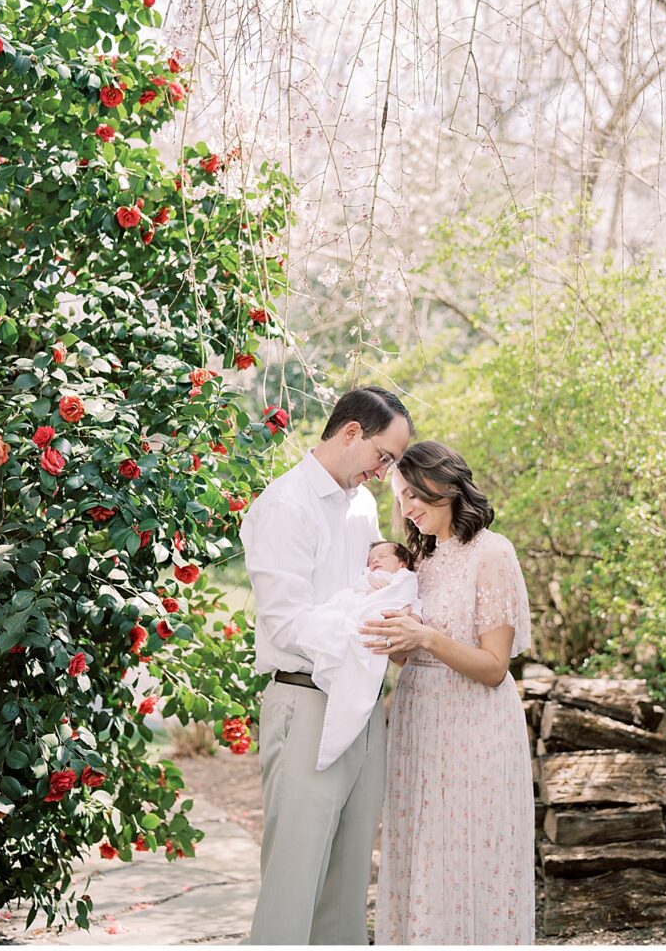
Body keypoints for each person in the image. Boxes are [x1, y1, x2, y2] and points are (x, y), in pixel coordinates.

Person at [240, 386, 414, 945]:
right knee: (295, 879)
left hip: (362, 701)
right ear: (350, 433)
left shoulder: (361, 505)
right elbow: (287, 623)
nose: (385, 471)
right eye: (383, 456)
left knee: (347, 883)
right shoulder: (283, 506)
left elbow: (366, 589)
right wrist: (367, 633)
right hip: (305, 698)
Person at [362, 440, 535, 945]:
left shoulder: (493, 553)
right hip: (419, 722)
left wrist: (425, 636)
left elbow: (494, 668)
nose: (407, 509)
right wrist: (393, 632)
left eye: (415, 495)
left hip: (475, 729)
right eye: (400, 499)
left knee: (467, 854)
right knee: (421, 852)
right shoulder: (421, 559)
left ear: (448, 487)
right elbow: (406, 653)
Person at [298, 541, 421, 772]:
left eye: (382, 556)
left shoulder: (406, 579)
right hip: (358, 614)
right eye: (371, 559)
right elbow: (355, 592)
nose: (375, 561)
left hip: (382, 617)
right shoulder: (366, 577)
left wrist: (394, 602)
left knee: (361, 657)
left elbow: (407, 603)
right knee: (332, 619)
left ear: (403, 563)